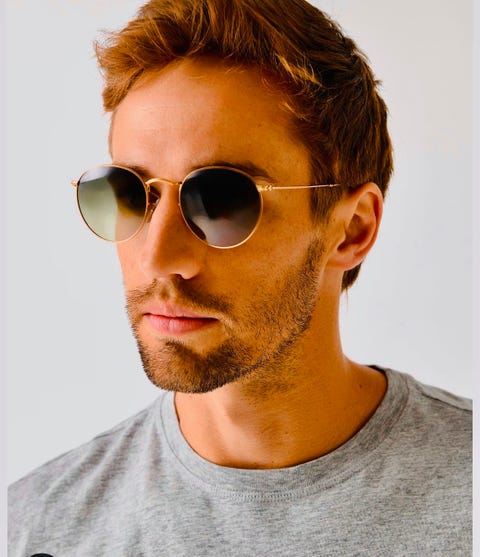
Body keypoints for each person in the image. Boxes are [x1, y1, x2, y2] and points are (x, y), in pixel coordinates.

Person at [8, 0, 471, 555]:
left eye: (222, 199)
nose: (158, 258)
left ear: (351, 230)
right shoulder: (37, 528)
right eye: (130, 194)